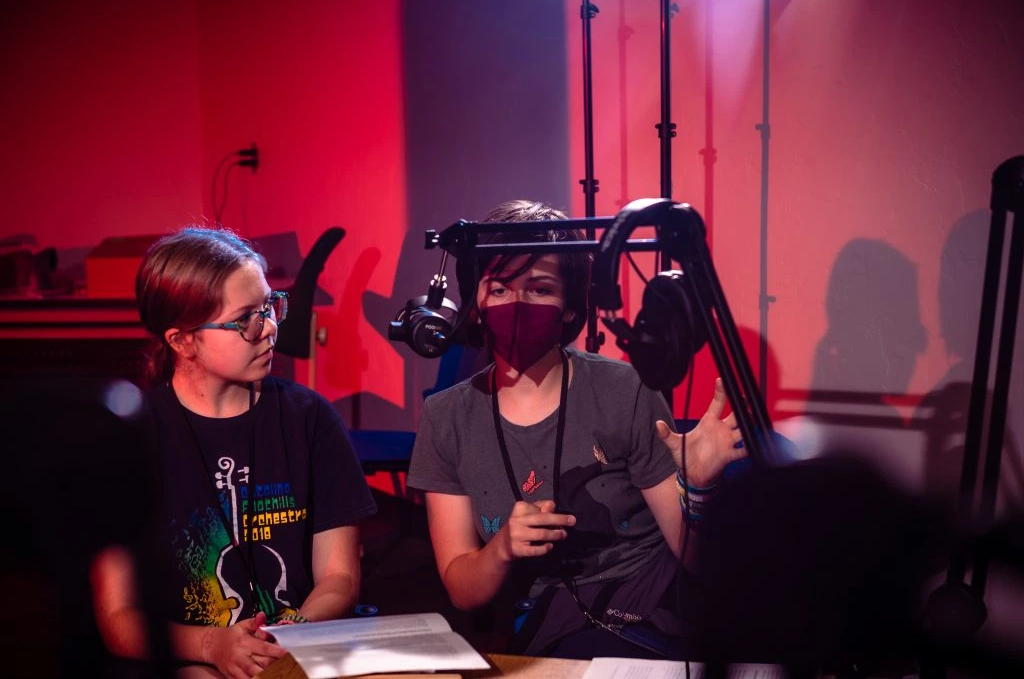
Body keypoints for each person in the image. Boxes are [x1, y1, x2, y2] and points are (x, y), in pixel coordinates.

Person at [406, 200, 745, 658]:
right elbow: (463, 590)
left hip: (656, 603)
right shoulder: (446, 417)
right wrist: (501, 548)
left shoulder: (624, 387)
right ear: (476, 304)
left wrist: (699, 488)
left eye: (540, 289)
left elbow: (696, 560)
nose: (519, 304)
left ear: (569, 307)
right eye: (500, 289)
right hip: (555, 620)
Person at [91, 227, 377, 678]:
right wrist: (211, 645)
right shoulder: (130, 438)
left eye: (270, 306)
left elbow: (339, 578)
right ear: (183, 341)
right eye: (245, 318)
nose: (268, 328)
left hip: (292, 653)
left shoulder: (310, 419)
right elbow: (117, 618)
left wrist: (288, 633)